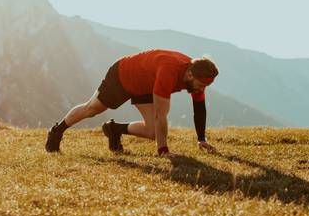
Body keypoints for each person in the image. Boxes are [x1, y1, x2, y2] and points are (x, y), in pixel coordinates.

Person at [45, 49, 219, 157]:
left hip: (146, 85)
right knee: (92, 109)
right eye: (201, 85)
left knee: (152, 132)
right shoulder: (169, 71)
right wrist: (163, 150)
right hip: (123, 75)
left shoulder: (197, 75)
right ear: (190, 76)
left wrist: (201, 139)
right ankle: (57, 131)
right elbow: (161, 114)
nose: (202, 89)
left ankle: (114, 129)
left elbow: (199, 108)